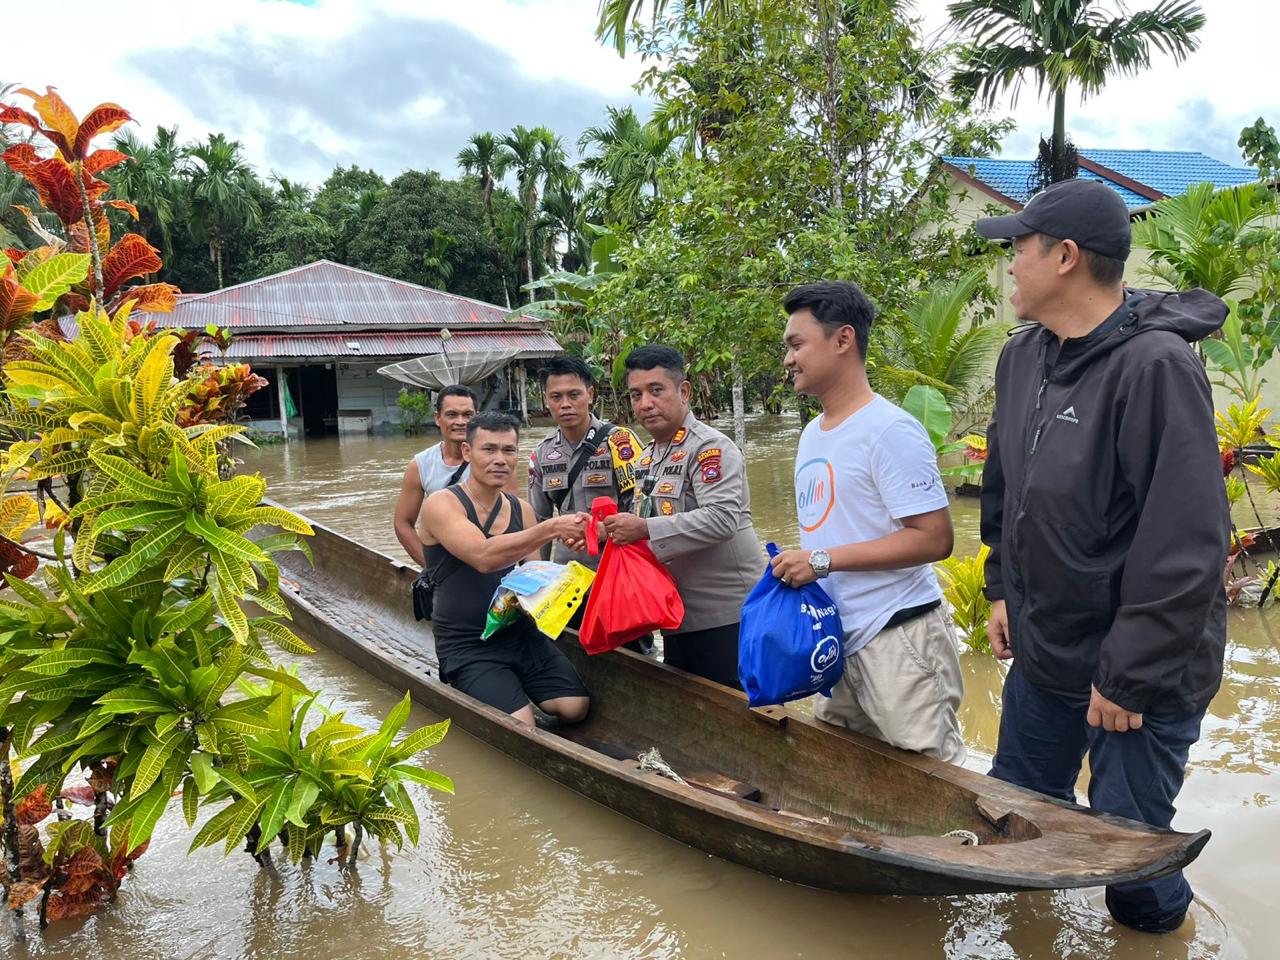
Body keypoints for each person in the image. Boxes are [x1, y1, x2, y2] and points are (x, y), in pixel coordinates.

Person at [975, 178, 1230, 934]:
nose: (1008, 264)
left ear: (1064, 257)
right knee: (1017, 822)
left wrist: (1128, 676)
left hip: (1138, 683)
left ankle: (1164, 943)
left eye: (1017, 248)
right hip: (1046, 651)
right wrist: (999, 590)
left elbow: (1186, 544)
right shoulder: (1024, 358)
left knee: (1131, 870)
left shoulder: (1156, 367)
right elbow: (1003, 487)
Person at [771, 281, 964, 763]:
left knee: (935, 776)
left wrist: (820, 560)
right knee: (851, 769)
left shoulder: (890, 429)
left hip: (898, 633)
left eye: (797, 344)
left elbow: (935, 538)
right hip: (837, 637)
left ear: (843, 340)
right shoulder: (814, 433)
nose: (788, 359)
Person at [600, 345, 762, 689]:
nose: (645, 403)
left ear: (683, 391)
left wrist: (643, 528)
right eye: (636, 394)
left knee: (740, 719)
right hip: (674, 614)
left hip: (726, 616)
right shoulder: (647, 458)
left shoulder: (710, 449)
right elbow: (640, 527)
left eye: (656, 390)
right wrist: (606, 532)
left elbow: (722, 519)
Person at [420, 411, 591, 726]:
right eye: (489, 449)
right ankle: (482, 685)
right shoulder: (442, 504)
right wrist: (552, 527)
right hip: (467, 642)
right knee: (521, 726)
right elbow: (483, 556)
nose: (500, 459)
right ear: (467, 452)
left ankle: (513, 688)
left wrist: (572, 572)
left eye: (508, 450)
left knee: (575, 707)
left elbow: (535, 576)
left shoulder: (520, 510)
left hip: (518, 634)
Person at [528, 355, 643, 566]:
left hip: (617, 569)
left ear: (590, 395)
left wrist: (605, 530)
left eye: (573, 395)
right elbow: (538, 524)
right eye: (556, 397)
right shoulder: (542, 454)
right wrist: (537, 576)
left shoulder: (620, 442)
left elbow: (642, 509)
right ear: (546, 400)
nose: (565, 404)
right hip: (566, 578)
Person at [393, 385, 477, 567]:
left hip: (485, 558)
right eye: (452, 415)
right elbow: (403, 523)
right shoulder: (421, 465)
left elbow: (510, 521)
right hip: (443, 562)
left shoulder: (492, 461)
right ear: (438, 419)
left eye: (468, 415)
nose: (461, 421)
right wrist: (432, 568)